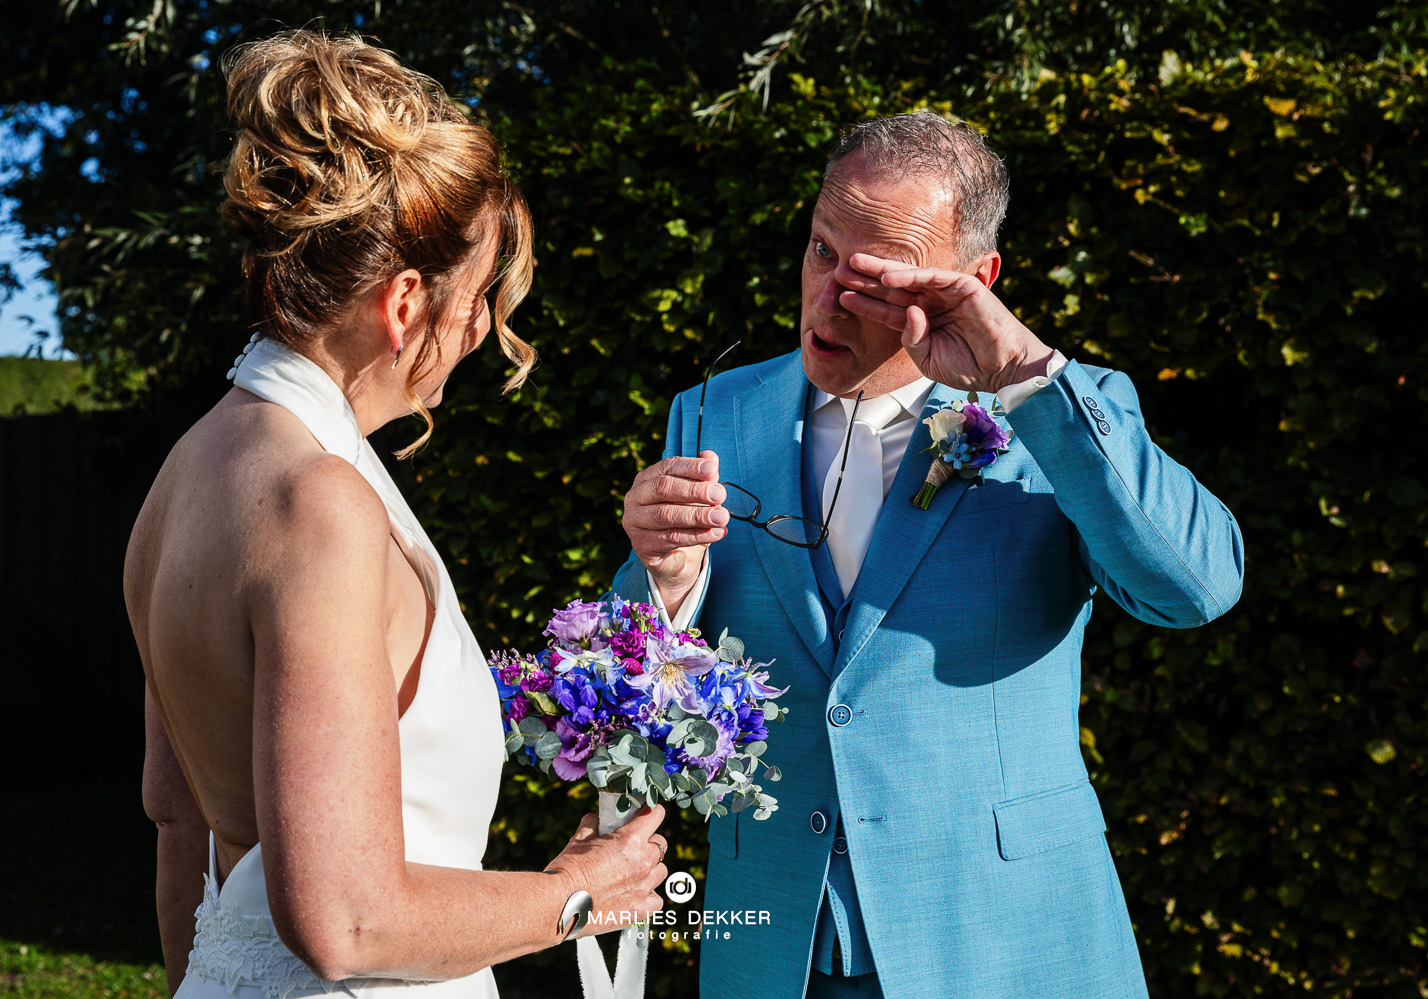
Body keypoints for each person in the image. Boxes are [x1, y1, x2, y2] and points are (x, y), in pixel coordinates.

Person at [613, 111, 1244, 999]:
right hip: (776, 954)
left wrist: (1023, 371)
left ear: (974, 279)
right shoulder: (716, 410)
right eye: (823, 250)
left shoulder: (1064, 417)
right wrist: (661, 584)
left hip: (1007, 947)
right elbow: (628, 717)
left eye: (874, 277)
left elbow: (1195, 589)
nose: (830, 296)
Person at [125, 31, 667, 999]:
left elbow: (177, 819)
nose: (483, 331)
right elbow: (348, 921)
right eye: (477, 297)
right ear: (406, 300)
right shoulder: (322, 504)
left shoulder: (182, 478)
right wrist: (577, 892)